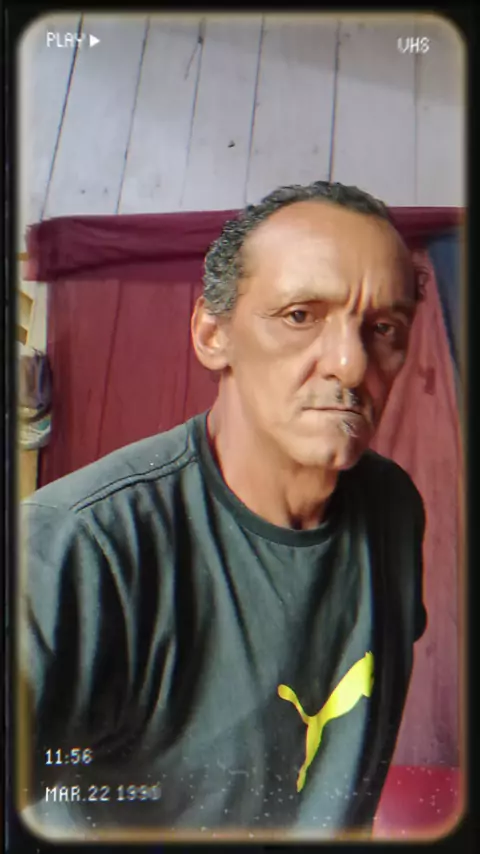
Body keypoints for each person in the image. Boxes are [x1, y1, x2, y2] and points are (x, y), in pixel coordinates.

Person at [19, 180, 427, 843]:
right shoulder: (73, 546)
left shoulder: (393, 507)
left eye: (384, 328)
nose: (352, 365)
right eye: (300, 315)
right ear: (213, 334)